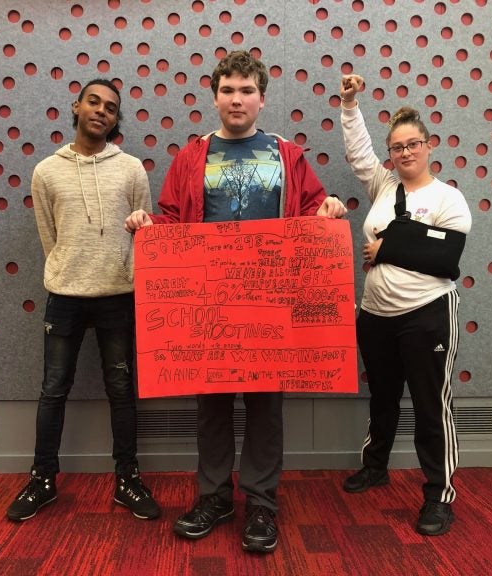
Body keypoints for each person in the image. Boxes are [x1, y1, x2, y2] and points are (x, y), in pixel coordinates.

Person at [125, 51, 346, 553]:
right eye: (228, 90)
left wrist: (328, 208)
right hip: (210, 304)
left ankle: (262, 505)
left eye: (246, 90)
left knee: (267, 408)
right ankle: (215, 497)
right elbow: (173, 221)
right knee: (212, 408)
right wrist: (147, 227)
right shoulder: (191, 157)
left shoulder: (287, 154)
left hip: (271, 300)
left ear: (262, 98)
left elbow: (314, 210)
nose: (237, 99)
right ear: (215, 96)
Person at [6, 78, 160, 523]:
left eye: (111, 108)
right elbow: (48, 237)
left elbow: (143, 232)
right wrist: (70, 267)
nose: (101, 111)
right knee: (53, 389)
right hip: (65, 295)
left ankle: (127, 479)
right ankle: (43, 479)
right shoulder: (46, 172)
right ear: (76, 107)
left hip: (118, 294)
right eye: (93, 102)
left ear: (116, 120)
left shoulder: (131, 168)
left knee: (121, 389)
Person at [338, 73, 472, 536]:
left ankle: (438, 494)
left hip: (427, 314)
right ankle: (375, 467)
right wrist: (350, 105)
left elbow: (444, 259)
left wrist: (389, 247)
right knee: (383, 398)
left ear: (429, 145)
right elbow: (358, 151)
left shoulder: (448, 199)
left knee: (431, 405)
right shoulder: (383, 187)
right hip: (375, 316)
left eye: (413, 144)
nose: (405, 152)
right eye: (397, 147)